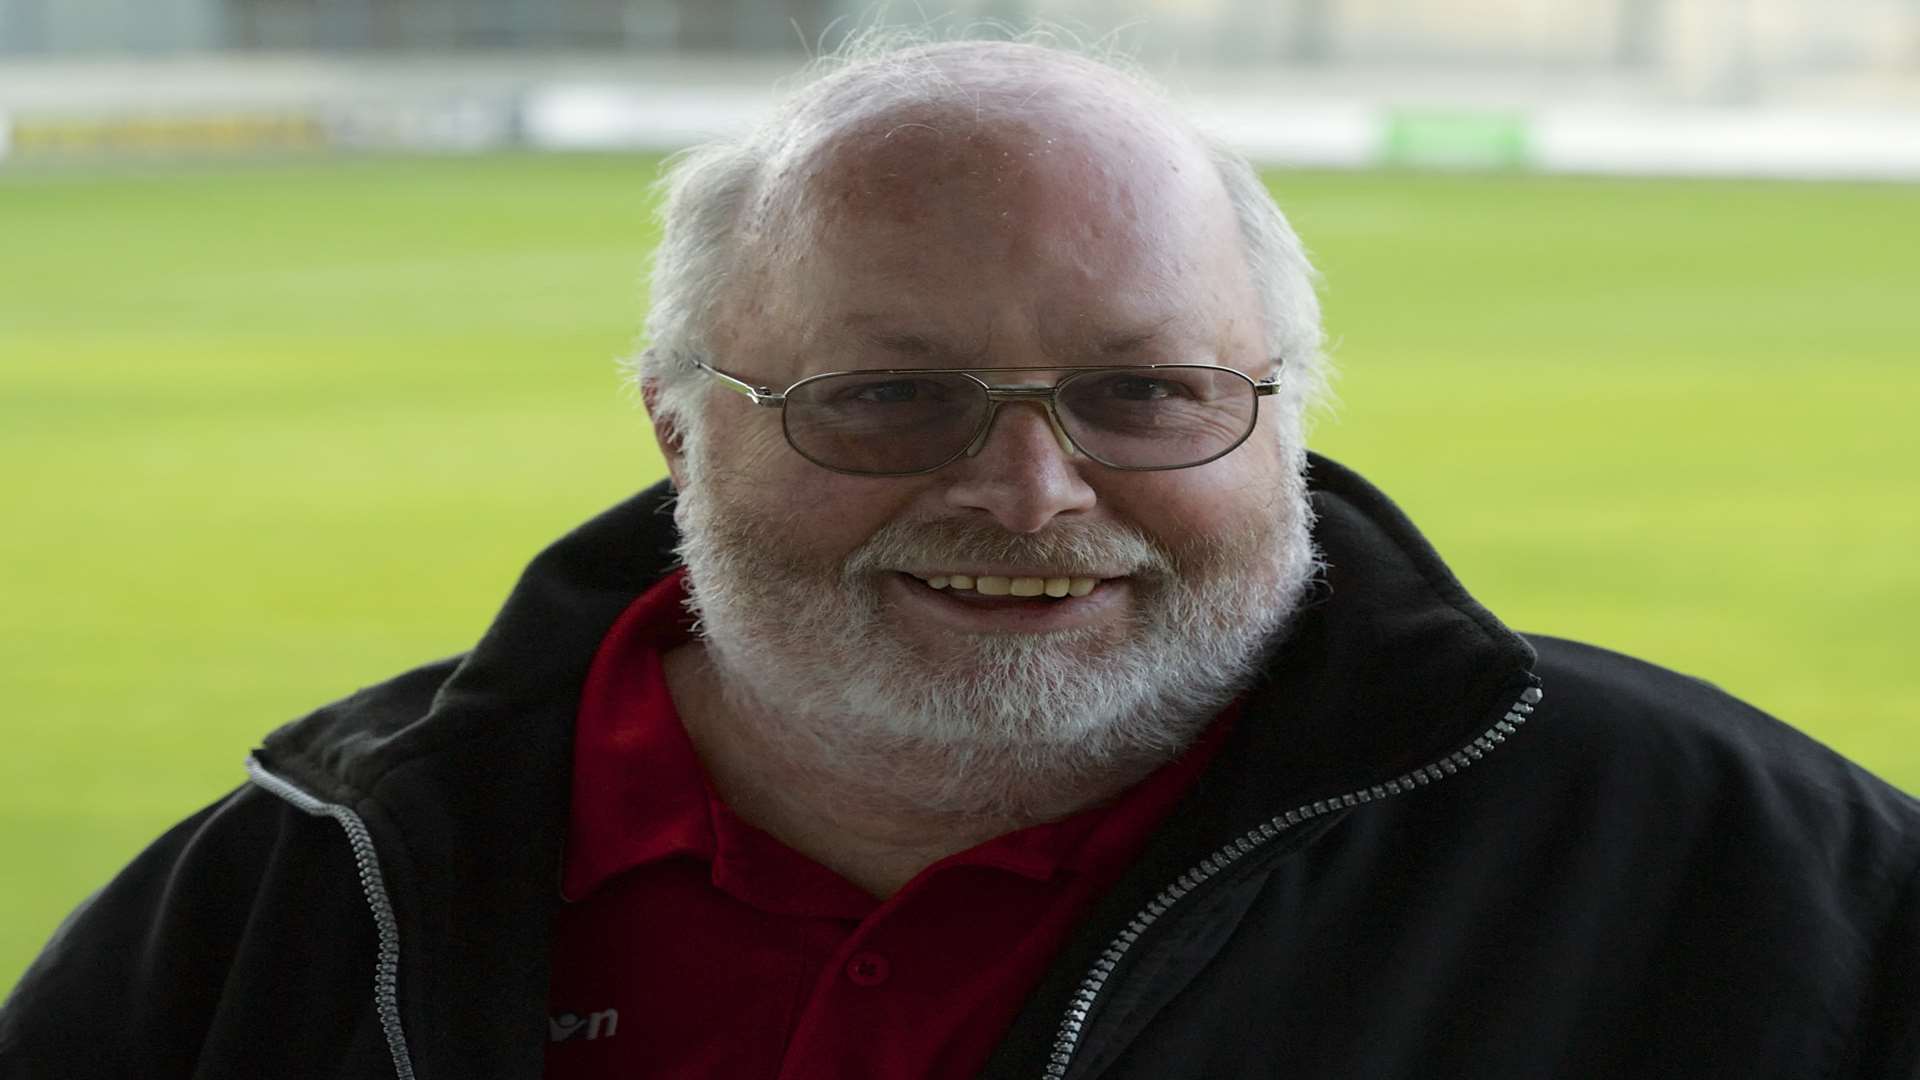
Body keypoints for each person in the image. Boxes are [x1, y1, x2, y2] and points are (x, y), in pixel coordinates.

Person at [3, 36, 1915, 1080]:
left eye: (1146, 391)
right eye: (887, 397)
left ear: (1290, 412)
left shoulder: (1743, 872)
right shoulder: (291, 898)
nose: (1028, 489)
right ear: (680, 425)